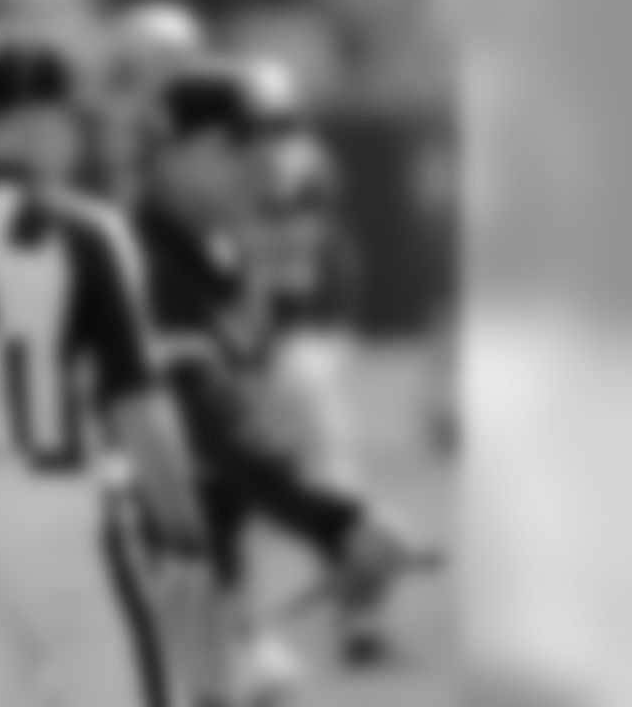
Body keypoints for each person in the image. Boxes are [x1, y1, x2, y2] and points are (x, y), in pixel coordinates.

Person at [0, 40, 208, 707]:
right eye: (72, 121)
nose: (77, 141)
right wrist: (183, 533)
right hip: (60, 513)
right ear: (33, 120)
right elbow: (138, 404)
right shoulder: (79, 230)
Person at [131, 67, 434, 686]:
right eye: (235, 145)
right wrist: (336, 522)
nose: (260, 163)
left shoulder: (213, 257)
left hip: (195, 556)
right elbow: (206, 426)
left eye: (266, 142)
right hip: (115, 564)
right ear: (171, 151)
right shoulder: (138, 258)